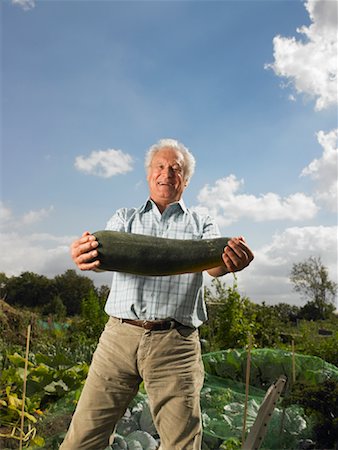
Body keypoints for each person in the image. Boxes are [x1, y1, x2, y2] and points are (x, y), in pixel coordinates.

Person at [61, 138, 254, 450]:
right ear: (149, 174)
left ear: (186, 179)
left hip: (175, 344)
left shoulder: (201, 221)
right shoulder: (125, 218)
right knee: (82, 439)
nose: (167, 173)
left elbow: (214, 266)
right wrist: (85, 254)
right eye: (160, 167)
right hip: (118, 337)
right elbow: (101, 258)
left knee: (181, 444)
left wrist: (231, 261)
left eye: (175, 169)